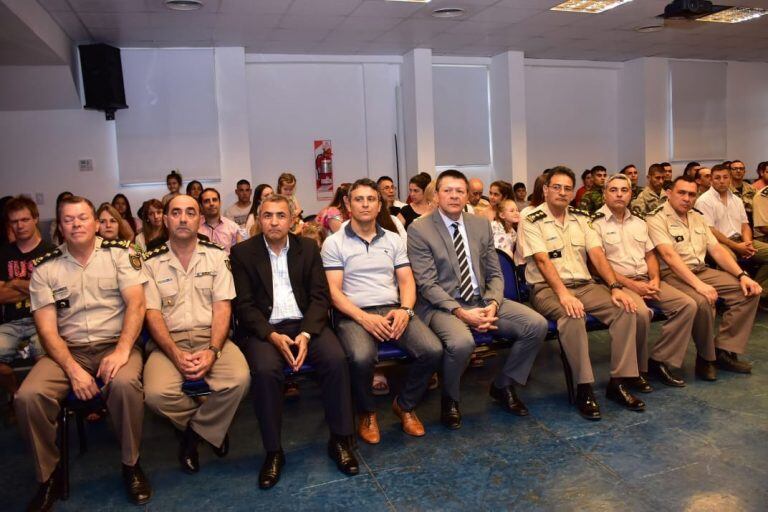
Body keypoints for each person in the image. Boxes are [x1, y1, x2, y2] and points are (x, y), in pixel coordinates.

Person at [16, 196, 151, 510]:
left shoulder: (120, 255)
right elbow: (47, 329)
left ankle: (131, 464)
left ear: (95, 222)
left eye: (82, 217)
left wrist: (121, 351)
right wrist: (73, 369)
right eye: (68, 219)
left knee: (125, 384)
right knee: (28, 397)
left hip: (115, 345)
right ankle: (48, 475)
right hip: (67, 351)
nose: (76, 224)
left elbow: (137, 305)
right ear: (59, 226)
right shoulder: (45, 268)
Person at [230, 194, 358, 489]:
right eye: (267, 216)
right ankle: (274, 451)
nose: (274, 222)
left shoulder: (309, 248)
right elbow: (245, 306)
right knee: (265, 372)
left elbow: (319, 296)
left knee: (336, 360)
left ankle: (340, 440)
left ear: (292, 220)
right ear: (259, 219)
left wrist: (305, 334)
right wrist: (272, 336)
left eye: (280, 216)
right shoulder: (243, 254)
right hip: (265, 329)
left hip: (305, 325)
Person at [408, 169, 548, 427]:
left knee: (535, 325)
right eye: (447, 190)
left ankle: (504, 385)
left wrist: (494, 304)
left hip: (483, 300)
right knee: (461, 343)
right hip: (443, 306)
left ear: (467, 196)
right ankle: (450, 399)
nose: (453, 196)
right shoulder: (420, 230)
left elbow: (495, 273)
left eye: (459, 191)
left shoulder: (479, 224)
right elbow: (427, 284)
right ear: (437, 195)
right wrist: (462, 313)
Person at [323, 179, 442, 442]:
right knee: (361, 357)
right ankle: (367, 412)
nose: (365, 204)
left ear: (379, 205)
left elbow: (407, 282)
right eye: (358, 199)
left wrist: (405, 311)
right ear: (348, 204)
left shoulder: (393, 239)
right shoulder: (334, 243)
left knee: (432, 350)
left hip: (392, 308)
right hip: (354, 312)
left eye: (371, 199)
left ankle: (406, 405)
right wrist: (363, 318)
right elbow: (333, 292)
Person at [522, 167, 645, 420]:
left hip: (585, 285)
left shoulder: (581, 217)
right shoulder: (530, 219)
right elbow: (543, 262)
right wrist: (564, 295)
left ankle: (618, 382)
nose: (563, 192)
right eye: (556, 187)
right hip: (548, 288)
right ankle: (584, 387)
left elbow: (597, 255)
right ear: (545, 190)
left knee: (626, 308)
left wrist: (615, 287)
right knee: (573, 316)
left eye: (568, 188)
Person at [142, 195, 249, 475]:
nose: (183, 218)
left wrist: (213, 350)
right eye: (175, 213)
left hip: (211, 336)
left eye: (190, 212)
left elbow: (222, 307)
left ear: (198, 219)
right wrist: (175, 354)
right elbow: (152, 314)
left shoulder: (216, 256)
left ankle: (193, 436)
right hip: (168, 341)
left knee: (239, 380)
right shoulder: (150, 262)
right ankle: (212, 427)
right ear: (165, 220)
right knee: (155, 394)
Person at [647, 176, 761, 381]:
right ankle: (705, 357)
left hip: (700, 269)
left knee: (748, 292)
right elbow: (669, 257)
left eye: (691, 194)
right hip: (672, 273)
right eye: (681, 193)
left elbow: (716, 250)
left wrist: (742, 275)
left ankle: (723, 350)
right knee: (703, 301)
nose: (687, 198)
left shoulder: (697, 217)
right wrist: (700, 286)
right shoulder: (656, 218)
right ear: (669, 193)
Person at [591, 175, 695, 388]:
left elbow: (650, 256)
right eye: (613, 190)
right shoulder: (594, 223)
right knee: (639, 313)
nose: (619, 194)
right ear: (604, 194)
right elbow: (597, 266)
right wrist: (632, 286)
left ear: (631, 194)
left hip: (646, 280)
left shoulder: (639, 222)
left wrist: (655, 279)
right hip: (617, 283)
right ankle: (634, 372)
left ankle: (659, 360)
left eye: (624, 190)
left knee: (687, 305)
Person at [0, 197, 55, 419]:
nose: (20, 225)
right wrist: (35, 287)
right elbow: (1, 296)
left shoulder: (51, 252)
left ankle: (39, 404)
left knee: (47, 361)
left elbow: (53, 293)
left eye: (24, 219)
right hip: (11, 323)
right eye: (14, 221)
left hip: (43, 320)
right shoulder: (4, 253)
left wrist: (14, 283)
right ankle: (15, 396)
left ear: (35, 219)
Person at [694, 165, 768, 296]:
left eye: (725, 177)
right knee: (730, 260)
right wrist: (736, 246)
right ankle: (733, 297)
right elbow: (710, 231)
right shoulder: (704, 201)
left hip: (741, 240)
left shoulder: (737, 200)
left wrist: (747, 243)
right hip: (718, 243)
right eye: (717, 178)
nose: (721, 181)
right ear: (711, 179)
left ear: (730, 179)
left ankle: (759, 290)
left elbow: (745, 225)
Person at [198, 188, 242, 253]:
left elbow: (239, 254)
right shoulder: (195, 227)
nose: (211, 203)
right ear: (201, 206)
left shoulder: (233, 228)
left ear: (220, 203)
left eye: (214, 200)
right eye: (207, 201)